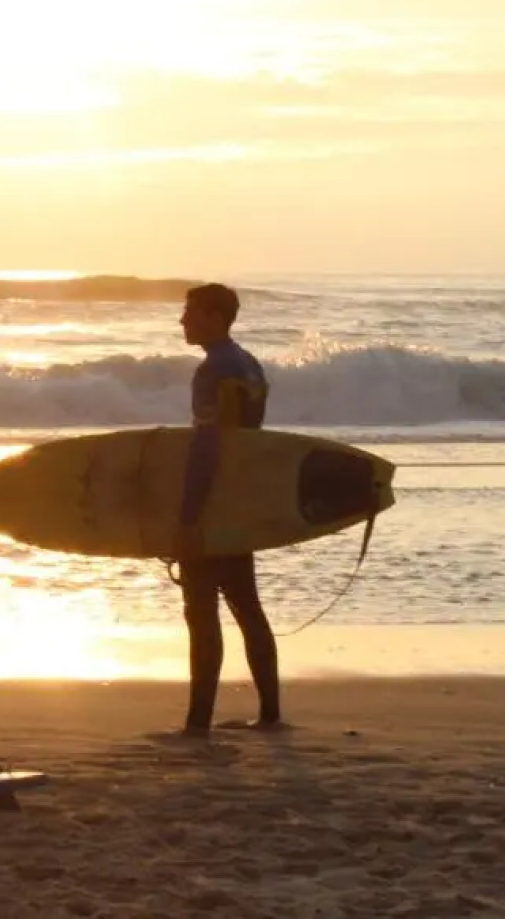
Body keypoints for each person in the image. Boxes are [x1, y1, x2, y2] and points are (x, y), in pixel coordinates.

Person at [171, 282, 281, 734]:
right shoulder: (249, 364)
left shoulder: (212, 370)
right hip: (240, 503)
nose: (183, 321)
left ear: (216, 318)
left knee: (201, 612)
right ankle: (271, 714)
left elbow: (206, 447)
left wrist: (188, 517)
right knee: (247, 608)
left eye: (191, 313)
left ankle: (198, 722)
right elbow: (248, 441)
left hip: (214, 504)